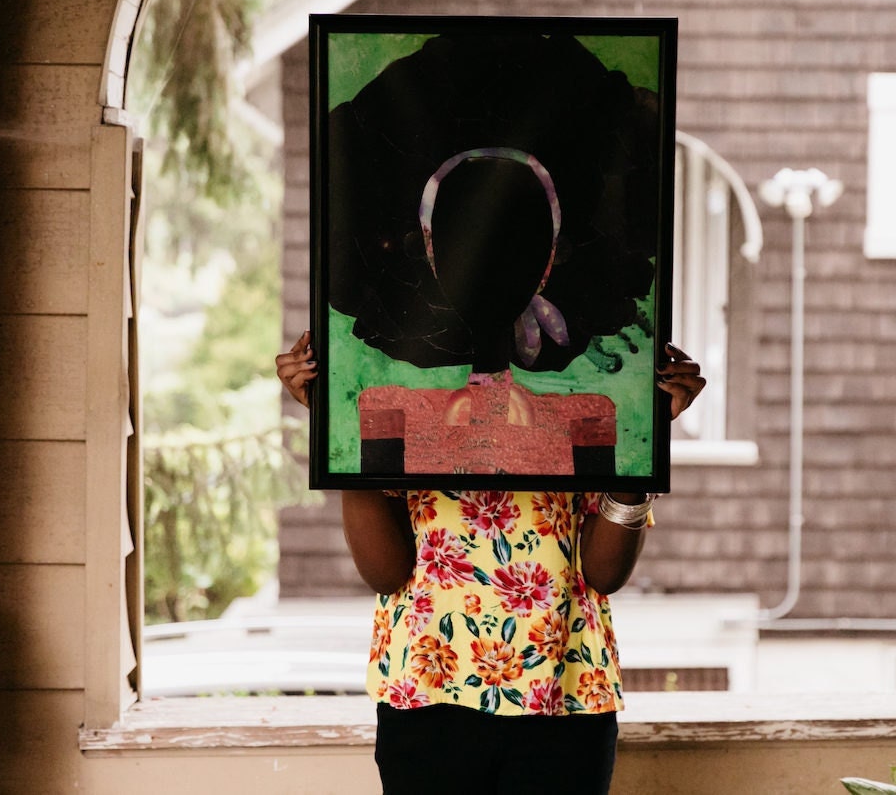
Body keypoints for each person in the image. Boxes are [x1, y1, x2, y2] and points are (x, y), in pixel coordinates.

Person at [276, 330, 705, 794]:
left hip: (566, 694)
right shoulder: (394, 386)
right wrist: (341, 420)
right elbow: (385, 572)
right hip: (427, 690)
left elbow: (605, 574)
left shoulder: (589, 390)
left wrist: (642, 436)